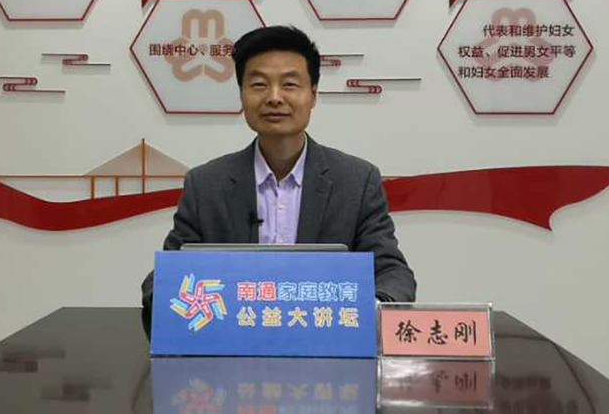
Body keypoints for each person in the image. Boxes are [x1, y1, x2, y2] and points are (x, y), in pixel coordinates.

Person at [141, 26, 415, 327]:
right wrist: (170, 301)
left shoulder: (357, 181)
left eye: (289, 84)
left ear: (313, 95)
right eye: (259, 85)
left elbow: (392, 272)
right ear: (242, 94)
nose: (274, 98)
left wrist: (370, 311)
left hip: (326, 343)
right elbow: (166, 275)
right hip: (232, 343)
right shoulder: (206, 184)